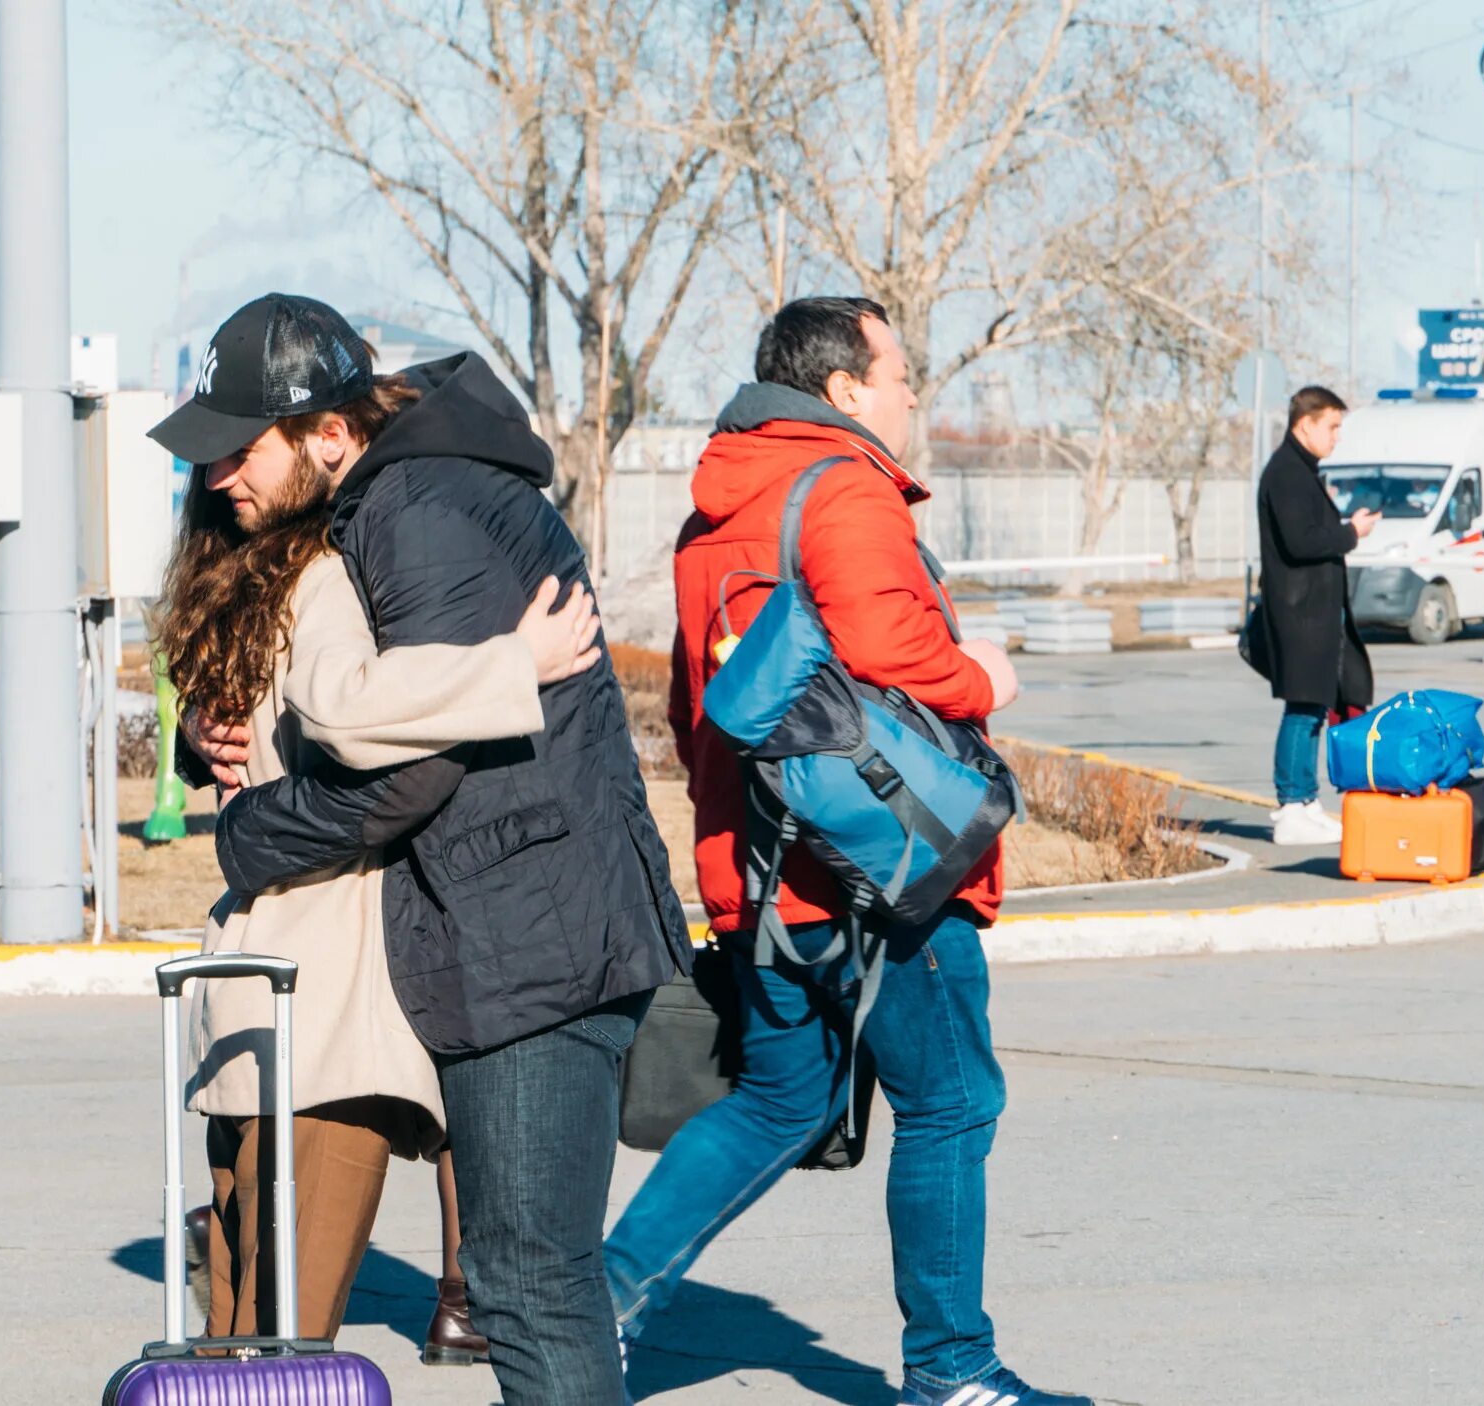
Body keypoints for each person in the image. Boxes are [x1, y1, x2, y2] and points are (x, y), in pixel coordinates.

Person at [173, 293, 691, 1404]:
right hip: (518, 935)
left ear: (324, 433)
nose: (220, 479)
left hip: (530, 943)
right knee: (519, 1282)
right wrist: (199, 738)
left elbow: (398, 762)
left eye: (238, 449)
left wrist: (251, 830)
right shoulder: (394, 499)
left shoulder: (412, 508)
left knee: (532, 1284)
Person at [602, 296, 1089, 1406]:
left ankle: (598, 1308)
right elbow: (895, 652)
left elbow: (695, 711)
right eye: (899, 373)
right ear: (842, 391)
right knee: (952, 1101)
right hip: (889, 863)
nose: (912, 393)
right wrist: (986, 678)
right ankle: (952, 1369)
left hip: (766, 865)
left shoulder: (712, 511)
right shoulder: (844, 486)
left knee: (781, 1098)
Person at [1252, 385, 1379, 847]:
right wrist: (1351, 532)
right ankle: (1292, 804)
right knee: (1303, 709)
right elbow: (1302, 541)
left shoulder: (1300, 470)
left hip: (1312, 612)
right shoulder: (1286, 472)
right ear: (1304, 424)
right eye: (1332, 426)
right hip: (1299, 613)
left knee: (1312, 707)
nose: (1336, 437)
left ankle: (1305, 802)